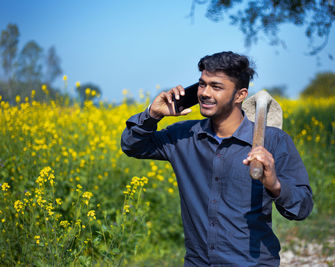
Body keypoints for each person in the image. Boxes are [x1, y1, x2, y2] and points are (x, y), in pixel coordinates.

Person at [121, 51, 313, 266]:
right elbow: (132, 146)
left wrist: (275, 184)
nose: (204, 93)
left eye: (216, 86)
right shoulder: (183, 137)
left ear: (240, 95)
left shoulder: (274, 141)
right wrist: (152, 115)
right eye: (202, 84)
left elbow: (302, 207)